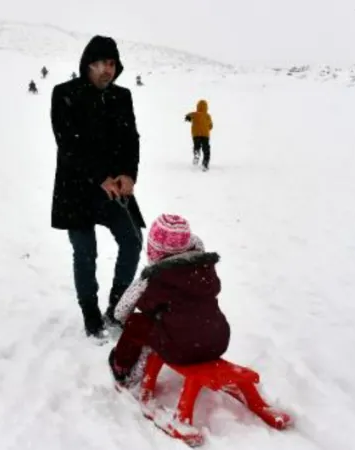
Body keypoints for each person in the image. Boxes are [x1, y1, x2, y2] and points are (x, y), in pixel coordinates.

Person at [50, 35, 145, 339]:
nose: (107, 69)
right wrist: (100, 176)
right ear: (87, 64)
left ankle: (117, 305)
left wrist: (128, 175)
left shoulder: (122, 96)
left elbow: (131, 139)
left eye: (112, 63)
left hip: (115, 188)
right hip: (76, 188)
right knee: (85, 251)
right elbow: (68, 145)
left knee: (132, 240)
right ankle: (90, 311)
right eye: (100, 63)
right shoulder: (64, 93)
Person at [108, 214, 230, 388]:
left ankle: (121, 366)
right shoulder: (205, 269)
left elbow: (120, 312)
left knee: (138, 323)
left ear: (155, 251)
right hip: (217, 341)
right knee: (190, 318)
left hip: (182, 349)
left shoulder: (157, 279)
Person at [184, 100, 213, 170]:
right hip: (205, 134)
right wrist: (207, 127)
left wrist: (188, 118)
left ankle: (197, 153)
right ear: (206, 107)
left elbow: (188, 115)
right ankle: (205, 162)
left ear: (198, 106)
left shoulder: (195, 114)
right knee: (206, 148)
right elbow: (211, 126)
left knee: (197, 145)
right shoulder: (208, 116)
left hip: (196, 134)